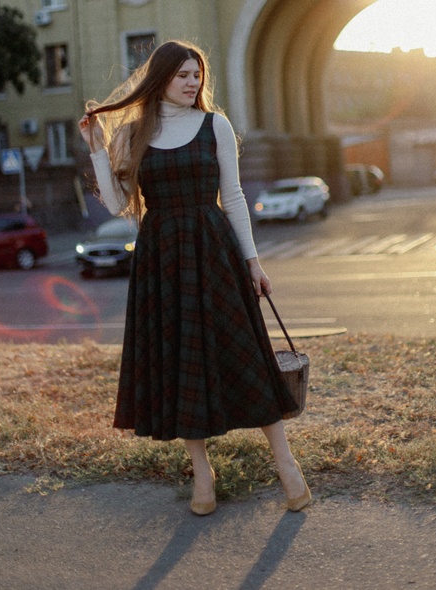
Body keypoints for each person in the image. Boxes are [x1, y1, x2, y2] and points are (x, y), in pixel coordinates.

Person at [78, 40, 311, 515]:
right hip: (161, 257)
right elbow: (120, 202)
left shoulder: (215, 125)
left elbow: (236, 196)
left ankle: (286, 464)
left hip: (214, 248)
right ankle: (203, 476)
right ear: (160, 77)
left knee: (246, 352)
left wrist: (253, 263)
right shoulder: (133, 132)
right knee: (182, 360)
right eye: (183, 74)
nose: (193, 82)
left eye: (197, 75)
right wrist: (98, 149)